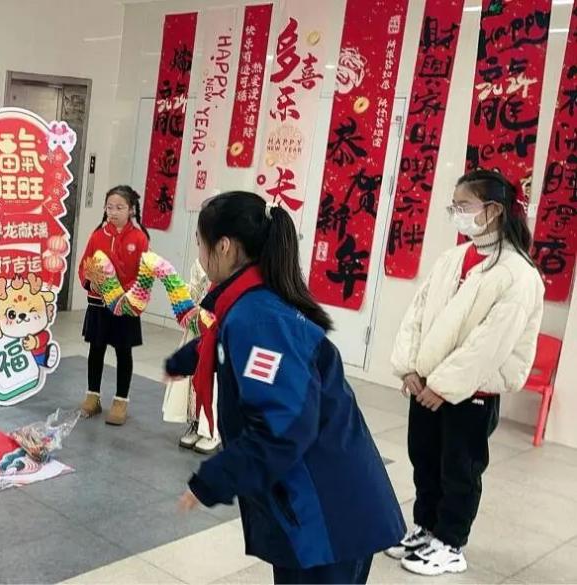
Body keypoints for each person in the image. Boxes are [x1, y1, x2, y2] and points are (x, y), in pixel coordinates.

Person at [166, 191, 403, 584]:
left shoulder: (258, 317)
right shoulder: (253, 302)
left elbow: (283, 426)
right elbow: (225, 342)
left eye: (200, 243)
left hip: (325, 511)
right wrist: (182, 362)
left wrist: (213, 480)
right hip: (320, 499)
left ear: (224, 247)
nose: (200, 254)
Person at [388, 170, 544, 576]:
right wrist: (409, 368)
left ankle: (451, 542)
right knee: (425, 459)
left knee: (460, 469)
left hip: (471, 392)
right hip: (427, 386)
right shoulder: (452, 259)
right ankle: (426, 527)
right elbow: (417, 313)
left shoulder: (518, 274)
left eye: (464, 206)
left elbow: (490, 343)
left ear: (493, 210)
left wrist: (443, 385)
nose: (457, 213)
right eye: (454, 206)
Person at [78, 185, 150, 426]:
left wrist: (122, 293)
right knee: (96, 349)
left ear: (131, 210)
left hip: (125, 305)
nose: (113, 212)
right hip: (98, 305)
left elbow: (143, 273)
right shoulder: (97, 236)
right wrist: (91, 281)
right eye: (109, 207)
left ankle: (120, 401)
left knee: (123, 351)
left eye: (119, 207)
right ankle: (92, 396)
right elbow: (85, 265)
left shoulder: (139, 238)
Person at [161, 259, 222, 454]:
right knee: (192, 382)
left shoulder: (232, 263)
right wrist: (179, 291)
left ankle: (212, 431)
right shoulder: (199, 263)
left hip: (217, 332)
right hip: (197, 329)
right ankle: (196, 424)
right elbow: (194, 292)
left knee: (213, 381)